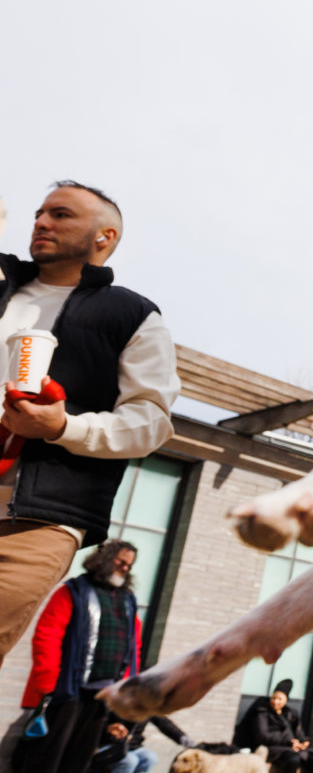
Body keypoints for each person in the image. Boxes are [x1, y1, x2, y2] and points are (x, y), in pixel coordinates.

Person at [0, 182, 178, 664]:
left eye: (61, 214)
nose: (41, 222)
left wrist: (62, 427)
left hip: (33, 520)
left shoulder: (132, 315)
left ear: (104, 236)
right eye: (39, 212)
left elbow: (150, 424)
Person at [19, 540, 144, 773]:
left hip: (103, 695)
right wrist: (49, 683)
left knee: (79, 760)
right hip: (66, 690)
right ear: (105, 559)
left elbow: (133, 647)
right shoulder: (74, 590)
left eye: (129, 565)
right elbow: (47, 636)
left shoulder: (128, 600)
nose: (125, 568)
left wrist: (125, 688)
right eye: (121, 562)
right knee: (46, 757)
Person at [234, 679, 313, 773]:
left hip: (296, 749)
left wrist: (304, 742)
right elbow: (262, 736)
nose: (276, 701)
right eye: (274, 698)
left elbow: (299, 733)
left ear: (286, 700)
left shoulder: (291, 714)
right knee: (293, 760)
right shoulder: (262, 713)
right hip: (276, 749)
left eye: (280, 699)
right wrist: (289, 742)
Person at [89, 714, 195, 773]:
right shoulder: (119, 701)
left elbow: (163, 723)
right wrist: (108, 729)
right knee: (130, 761)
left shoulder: (147, 704)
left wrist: (183, 738)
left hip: (132, 747)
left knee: (150, 757)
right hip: (107, 745)